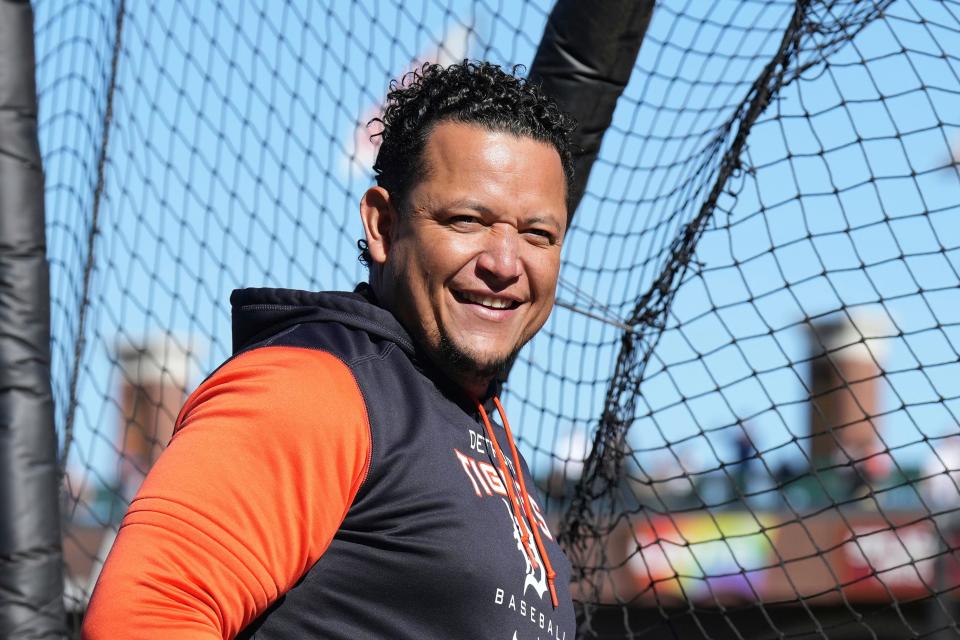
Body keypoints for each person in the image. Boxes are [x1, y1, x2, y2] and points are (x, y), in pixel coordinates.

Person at [82, 60, 578, 639]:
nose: (504, 262)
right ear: (383, 225)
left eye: (537, 234)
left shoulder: (471, 421)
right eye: (467, 220)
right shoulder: (315, 385)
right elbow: (143, 615)